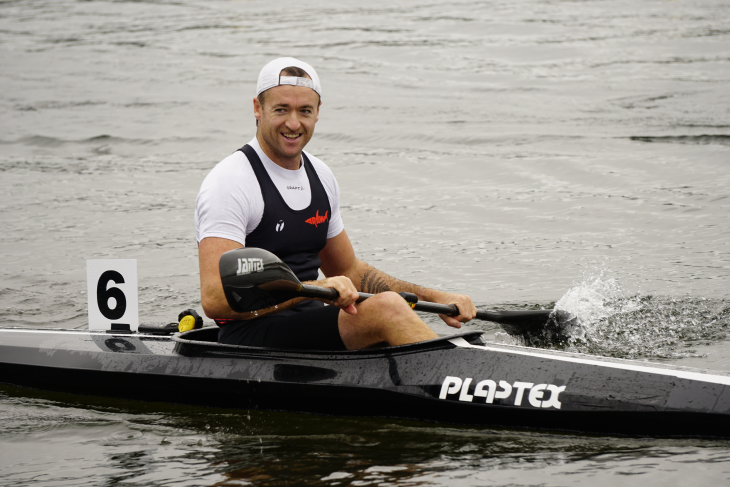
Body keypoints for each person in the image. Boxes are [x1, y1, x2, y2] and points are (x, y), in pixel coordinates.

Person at [195, 57, 476, 350]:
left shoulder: (321, 175)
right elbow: (215, 301)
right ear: (258, 108)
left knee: (392, 307)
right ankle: (470, 386)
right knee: (388, 309)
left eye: (304, 111)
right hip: (249, 335)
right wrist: (314, 290)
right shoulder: (231, 181)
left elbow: (350, 271)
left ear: (317, 113)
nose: (293, 123)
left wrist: (436, 297)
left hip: (308, 321)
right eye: (281, 110)